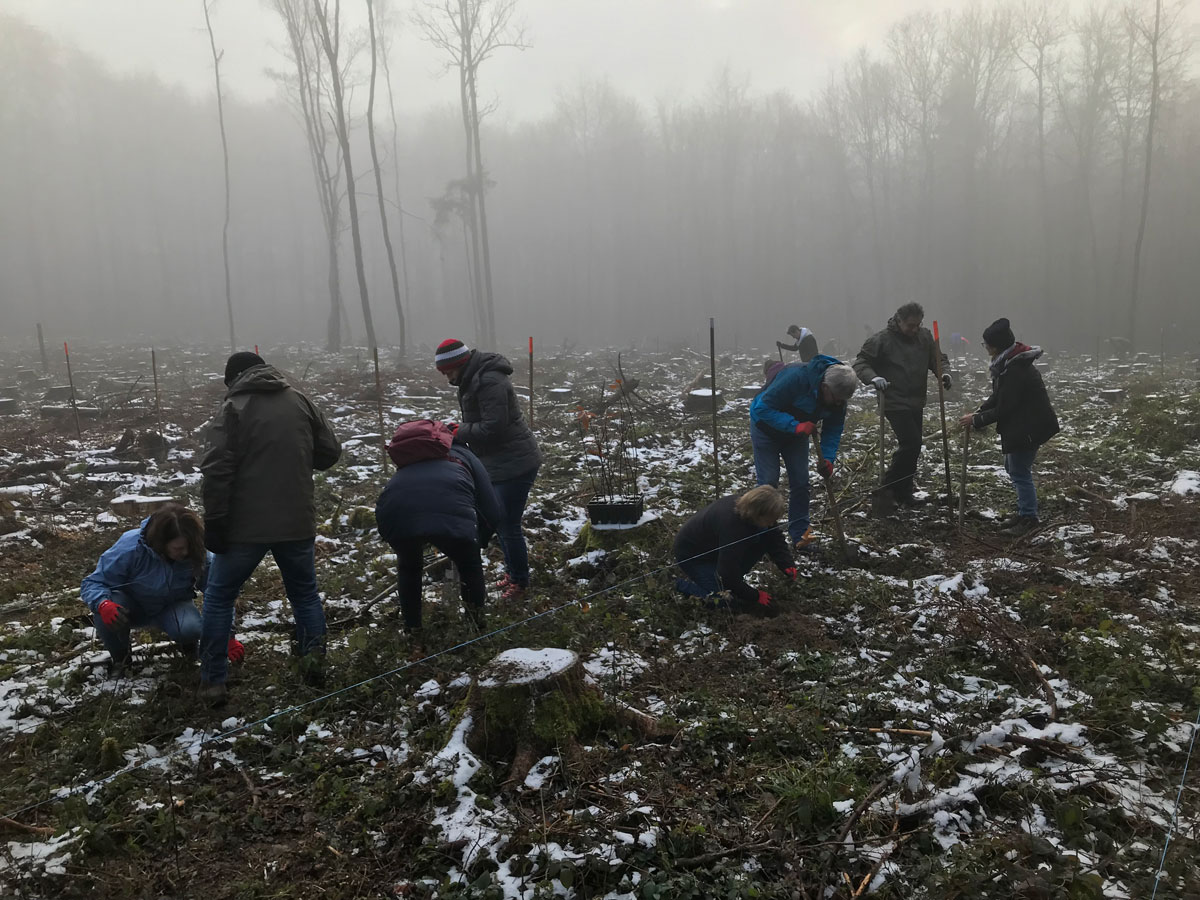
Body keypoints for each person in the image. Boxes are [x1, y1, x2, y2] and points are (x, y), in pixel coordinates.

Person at [199, 351, 341, 705]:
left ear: (234, 379)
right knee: (304, 594)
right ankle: (313, 667)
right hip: (297, 521)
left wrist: (215, 521)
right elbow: (330, 452)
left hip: (243, 528)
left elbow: (216, 469)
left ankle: (214, 682)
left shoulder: (233, 407)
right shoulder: (299, 400)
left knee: (219, 598)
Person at [435, 339, 542, 602]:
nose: (447, 377)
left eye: (448, 371)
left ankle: (520, 582)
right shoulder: (473, 379)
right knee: (498, 520)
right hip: (499, 462)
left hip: (516, 463)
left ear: (459, 364)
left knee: (507, 524)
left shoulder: (489, 381)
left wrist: (461, 431)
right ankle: (513, 572)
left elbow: (495, 426)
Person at [375, 420, 504, 634]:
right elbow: (491, 508)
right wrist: (477, 541)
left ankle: (413, 632)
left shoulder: (412, 454)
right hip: (448, 509)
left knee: (409, 568)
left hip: (394, 511)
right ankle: (476, 629)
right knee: (469, 566)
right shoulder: (465, 453)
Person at [80, 504, 230, 675]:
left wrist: (227, 637)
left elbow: (218, 592)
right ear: (161, 542)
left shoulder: (198, 550)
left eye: (188, 547)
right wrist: (102, 603)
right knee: (106, 609)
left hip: (173, 606)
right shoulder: (131, 546)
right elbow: (93, 583)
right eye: (178, 549)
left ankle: (189, 647)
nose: (185, 553)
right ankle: (121, 659)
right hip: (131, 607)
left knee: (190, 628)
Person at [959, 318, 1059, 536]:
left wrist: (977, 421)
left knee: (1020, 471)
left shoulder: (1015, 370)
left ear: (996, 346)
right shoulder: (1007, 364)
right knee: (1013, 467)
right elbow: (998, 396)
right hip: (1022, 424)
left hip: (1030, 426)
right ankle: (1024, 513)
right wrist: (978, 411)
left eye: (986, 344)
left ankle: (1029, 518)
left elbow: (1005, 407)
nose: (985, 348)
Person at [749, 356, 858, 549]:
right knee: (768, 483)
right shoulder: (796, 378)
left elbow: (833, 430)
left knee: (801, 482)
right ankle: (761, 535)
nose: (839, 403)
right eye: (836, 398)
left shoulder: (838, 399)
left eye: (843, 400)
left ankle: (800, 534)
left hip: (796, 436)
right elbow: (761, 408)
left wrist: (828, 459)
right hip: (766, 430)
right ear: (825, 387)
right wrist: (795, 426)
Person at [853, 302, 952, 509]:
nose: (914, 329)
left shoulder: (924, 337)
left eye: (918, 325)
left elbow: (937, 358)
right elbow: (861, 363)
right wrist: (874, 378)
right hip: (893, 401)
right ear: (898, 321)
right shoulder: (881, 340)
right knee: (912, 443)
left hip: (917, 400)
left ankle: (904, 492)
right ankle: (886, 489)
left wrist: (943, 372)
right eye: (910, 325)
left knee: (913, 448)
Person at [673, 485, 796, 617]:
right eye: (770, 520)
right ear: (758, 513)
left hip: (716, 549)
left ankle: (731, 584)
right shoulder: (733, 528)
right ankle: (676, 585)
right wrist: (754, 595)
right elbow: (727, 574)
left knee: (764, 534)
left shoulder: (752, 510)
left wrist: (786, 563)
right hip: (694, 557)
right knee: (722, 599)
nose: (772, 523)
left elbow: (773, 535)